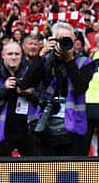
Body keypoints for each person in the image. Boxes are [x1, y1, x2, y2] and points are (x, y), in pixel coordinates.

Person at [35, 21, 95, 156]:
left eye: (68, 39)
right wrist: (42, 54)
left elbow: (80, 87)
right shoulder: (45, 60)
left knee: (71, 168)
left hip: (73, 128)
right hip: (45, 124)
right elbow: (30, 83)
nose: (63, 43)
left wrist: (69, 60)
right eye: (60, 39)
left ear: (74, 41)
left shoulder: (85, 62)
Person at [0, 41, 40, 156]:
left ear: (21, 55)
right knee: (0, 166)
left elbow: (41, 99)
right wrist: (3, 89)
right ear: (3, 55)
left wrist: (27, 93)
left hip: (27, 131)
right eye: (10, 54)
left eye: (17, 54)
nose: (14, 57)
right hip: (0, 132)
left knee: (31, 166)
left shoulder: (30, 73)